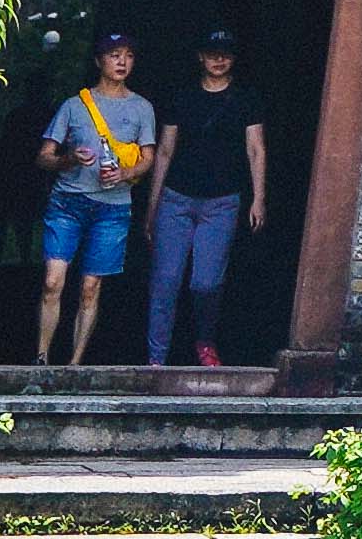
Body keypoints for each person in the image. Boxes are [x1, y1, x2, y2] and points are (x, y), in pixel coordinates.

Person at [142, 29, 270, 369]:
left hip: (222, 202)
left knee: (206, 282)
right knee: (165, 281)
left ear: (234, 58)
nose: (218, 59)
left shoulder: (246, 99)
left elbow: (256, 150)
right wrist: (152, 207)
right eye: (212, 52)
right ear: (201, 56)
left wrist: (259, 198)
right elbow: (165, 152)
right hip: (176, 199)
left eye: (225, 53)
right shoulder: (182, 97)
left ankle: (205, 341)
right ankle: (156, 359)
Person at [33, 29, 158, 368]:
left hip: (113, 207)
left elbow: (149, 158)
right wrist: (69, 158)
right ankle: (41, 359)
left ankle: (74, 364)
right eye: (115, 55)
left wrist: (125, 174)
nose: (122, 61)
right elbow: (44, 156)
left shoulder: (142, 108)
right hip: (68, 202)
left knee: (90, 286)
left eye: (129, 55)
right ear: (99, 61)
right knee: (52, 281)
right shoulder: (74, 106)